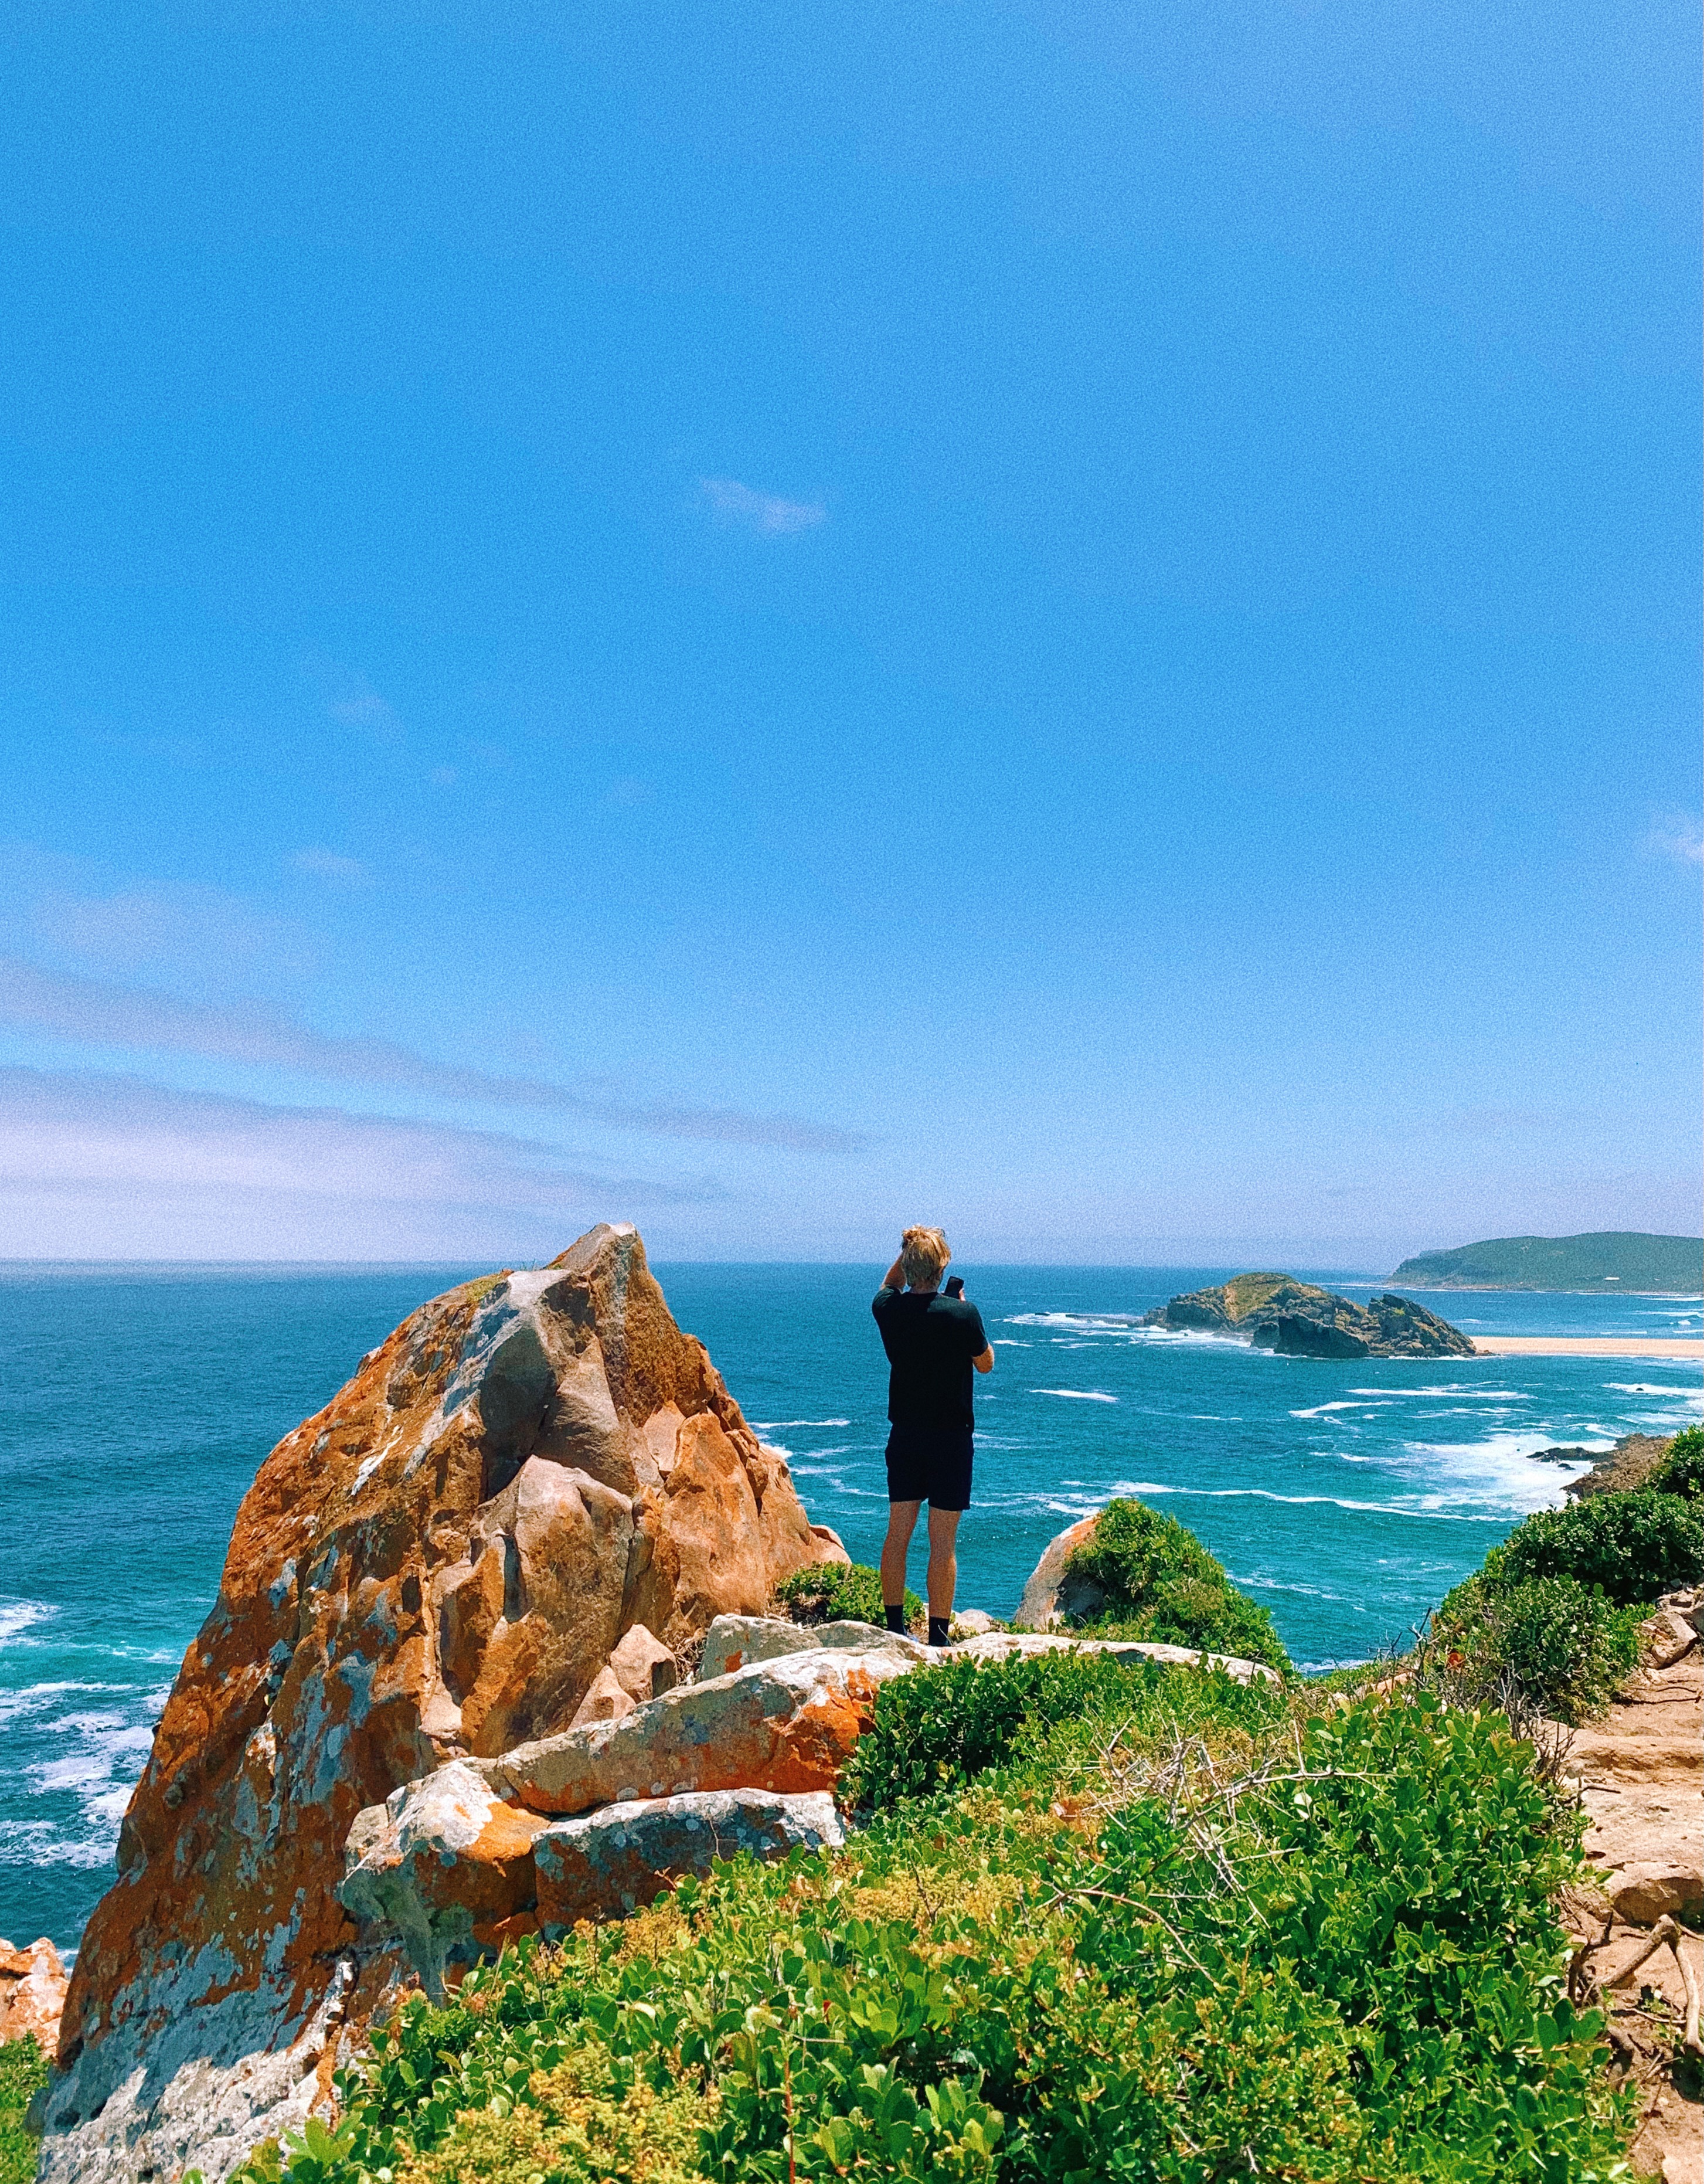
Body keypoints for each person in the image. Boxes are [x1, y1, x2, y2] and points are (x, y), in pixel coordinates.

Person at [871, 1225, 994, 1646]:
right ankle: (938, 1638)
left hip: (905, 1435)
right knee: (942, 1542)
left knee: (897, 1533)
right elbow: (985, 1364)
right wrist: (960, 1309)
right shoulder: (962, 1314)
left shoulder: (888, 1308)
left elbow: (890, 1284)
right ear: (943, 1268)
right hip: (950, 1440)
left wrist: (907, 1249)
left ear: (908, 1266)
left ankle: (894, 1629)